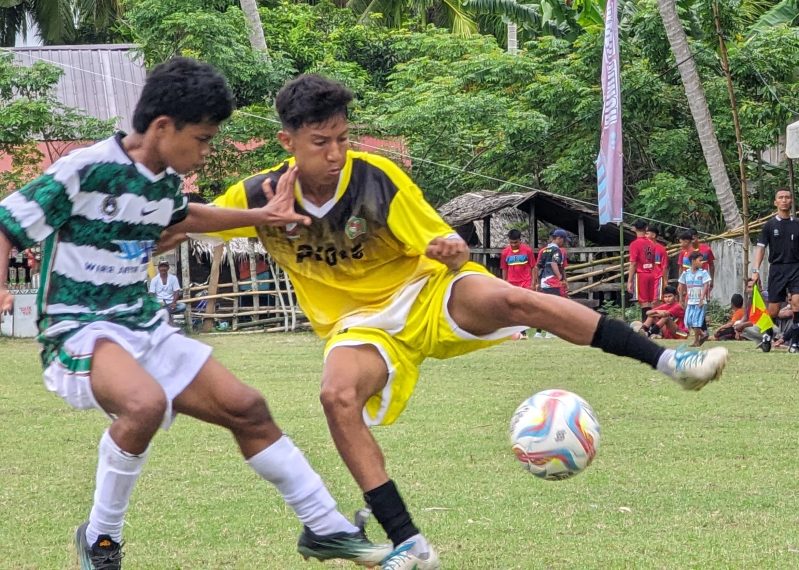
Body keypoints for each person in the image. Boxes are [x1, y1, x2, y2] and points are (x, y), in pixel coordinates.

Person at [185, 74, 727, 570]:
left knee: (517, 300)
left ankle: (670, 361)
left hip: (425, 291)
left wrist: (449, 247)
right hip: (360, 327)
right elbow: (195, 224)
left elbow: (443, 244)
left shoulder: (376, 180)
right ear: (288, 142)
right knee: (336, 396)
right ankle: (407, 543)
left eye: (342, 139)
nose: (335, 153)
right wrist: (154, 219)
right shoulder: (258, 195)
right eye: (320, 142)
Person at [0, 59, 390, 570]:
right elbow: (7, 224)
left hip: (142, 325)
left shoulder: (162, 180)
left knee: (247, 408)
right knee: (143, 404)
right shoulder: (84, 168)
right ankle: (100, 541)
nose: (207, 152)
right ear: (163, 127)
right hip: (79, 328)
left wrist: (260, 217)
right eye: (203, 139)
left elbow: (187, 215)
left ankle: (327, 529)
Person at [750, 188, 799, 353]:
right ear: (775, 202)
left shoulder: (797, 224)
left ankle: (794, 342)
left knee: (797, 304)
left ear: (791, 201)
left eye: (787, 197)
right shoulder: (769, 226)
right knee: (773, 309)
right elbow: (761, 249)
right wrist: (755, 270)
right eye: (781, 197)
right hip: (777, 269)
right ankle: (767, 333)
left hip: (796, 267)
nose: (784, 200)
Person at [499, 229, 536, 339]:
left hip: (525, 282)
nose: (513, 245)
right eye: (511, 242)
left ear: (520, 240)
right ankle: (517, 331)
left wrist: (533, 283)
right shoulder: (505, 252)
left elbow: (533, 266)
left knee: (523, 306)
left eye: (515, 242)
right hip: (511, 283)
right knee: (514, 307)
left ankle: (523, 331)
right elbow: (504, 268)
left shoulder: (527, 251)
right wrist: (504, 283)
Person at [533, 228, 568, 339]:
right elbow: (555, 264)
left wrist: (537, 282)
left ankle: (538, 333)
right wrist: (561, 277)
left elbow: (536, 267)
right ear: (558, 238)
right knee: (554, 307)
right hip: (552, 281)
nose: (564, 242)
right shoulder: (557, 250)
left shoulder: (543, 250)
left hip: (543, 281)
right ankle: (550, 332)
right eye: (563, 240)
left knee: (544, 307)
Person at [679, 251, 712, 347]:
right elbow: (681, 285)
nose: (702, 262)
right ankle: (702, 334)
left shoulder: (703, 273)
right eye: (700, 260)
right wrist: (681, 299)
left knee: (696, 321)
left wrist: (702, 298)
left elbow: (706, 285)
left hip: (699, 301)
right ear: (693, 261)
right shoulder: (686, 273)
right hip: (690, 301)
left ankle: (696, 341)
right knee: (688, 321)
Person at [627, 219, 658, 322]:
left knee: (644, 301)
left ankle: (646, 326)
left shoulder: (634, 244)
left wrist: (630, 280)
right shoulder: (651, 243)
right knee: (651, 301)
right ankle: (652, 326)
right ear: (646, 229)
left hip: (642, 274)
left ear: (634, 228)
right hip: (652, 273)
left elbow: (633, 263)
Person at [646, 224, 669, 296]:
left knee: (656, 300)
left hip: (657, 278)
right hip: (646, 278)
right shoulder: (644, 248)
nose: (644, 236)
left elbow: (664, 266)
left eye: (647, 233)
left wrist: (665, 281)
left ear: (653, 235)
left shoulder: (661, 249)